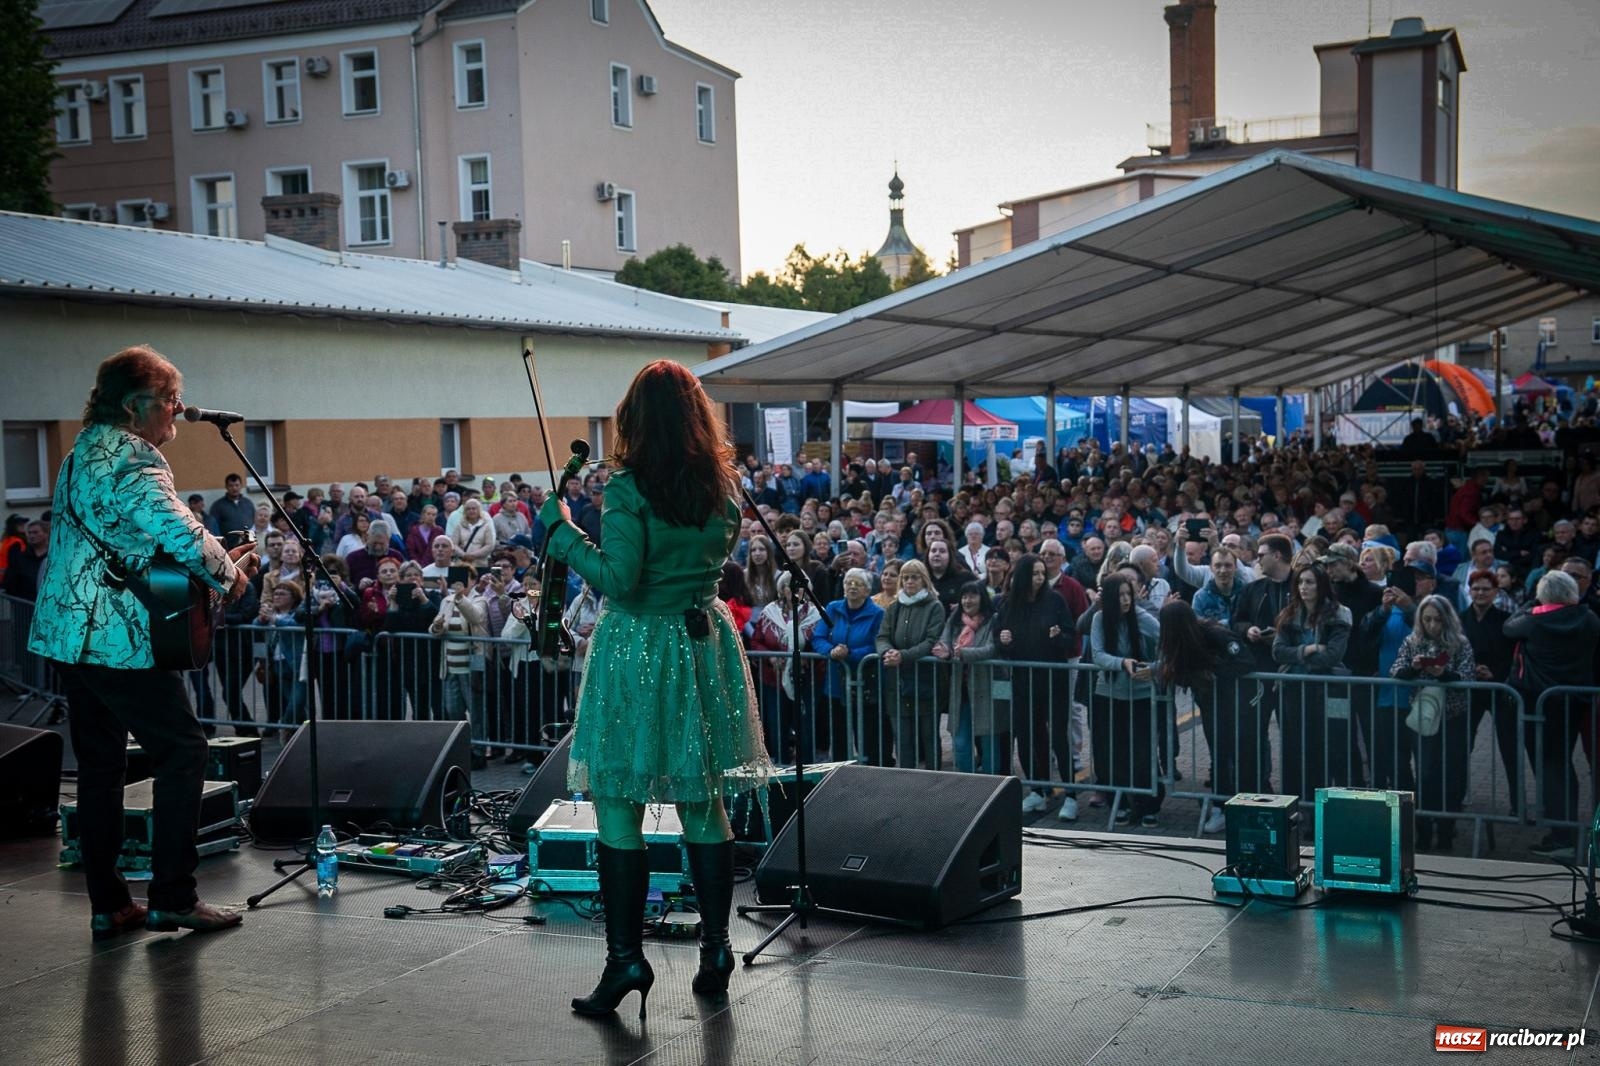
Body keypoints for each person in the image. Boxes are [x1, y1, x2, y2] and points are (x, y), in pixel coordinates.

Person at [539, 360, 772, 1018]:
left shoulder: (630, 487)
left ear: (634, 420)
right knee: (704, 800)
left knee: (618, 802)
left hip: (640, 648)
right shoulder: (723, 486)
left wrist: (563, 535)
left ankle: (624, 962)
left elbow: (621, 578)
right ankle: (717, 949)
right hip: (702, 642)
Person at [28, 346, 256, 938]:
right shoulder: (133, 459)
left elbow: (128, 541)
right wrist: (229, 576)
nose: (178, 411)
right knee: (183, 750)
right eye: (170, 400)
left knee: (101, 768)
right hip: (116, 640)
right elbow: (176, 530)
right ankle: (173, 897)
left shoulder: (81, 453)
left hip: (70, 637)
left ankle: (109, 904)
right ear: (135, 405)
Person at [1506, 571, 1600, 857]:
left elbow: (1509, 627)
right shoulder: (1590, 619)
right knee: (1563, 767)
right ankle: (1564, 832)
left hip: (1541, 705)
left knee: (1551, 769)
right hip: (1576, 700)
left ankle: (1563, 837)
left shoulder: (1533, 622)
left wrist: (1532, 602)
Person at [1389, 594, 1476, 851]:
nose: (1432, 625)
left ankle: (1446, 831)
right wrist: (1415, 668)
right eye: (1427, 619)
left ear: (1446, 620)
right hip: (1424, 718)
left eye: (1437, 619)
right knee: (1425, 774)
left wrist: (1444, 674)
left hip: (1453, 717)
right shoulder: (1412, 641)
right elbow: (1396, 671)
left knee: (1452, 775)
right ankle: (1424, 831)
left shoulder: (1459, 643)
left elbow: (1468, 676)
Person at [996, 552, 1073, 815]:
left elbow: (1071, 636)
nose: (1040, 578)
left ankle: (1071, 794)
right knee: (1026, 735)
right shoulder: (1009, 603)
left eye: (1042, 573)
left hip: (1053, 679)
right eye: (1035, 573)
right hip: (1022, 681)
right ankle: (1038, 790)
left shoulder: (1055, 600)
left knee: (1059, 737)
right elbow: (999, 639)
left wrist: (1058, 636)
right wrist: (1003, 640)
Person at [1271, 565, 1353, 804]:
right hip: (1293, 691)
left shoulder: (1338, 614)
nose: (1304, 587)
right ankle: (1296, 806)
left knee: (1326, 751)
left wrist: (1298, 655)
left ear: (1321, 585)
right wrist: (1308, 649)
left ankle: (1323, 808)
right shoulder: (1290, 614)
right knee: (1294, 751)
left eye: (1310, 582)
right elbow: (1277, 651)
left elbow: (1333, 655)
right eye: (1300, 582)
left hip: (1327, 692)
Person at [1087, 572, 1163, 825]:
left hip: (1141, 695)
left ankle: (1148, 804)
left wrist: (1153, 667)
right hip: (1108, 695)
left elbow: (1167, 644)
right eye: (1119, 595)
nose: (1125, 600)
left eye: (1128, 594)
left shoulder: (1143, 618)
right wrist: (1122, 663)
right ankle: (1118, 802)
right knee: (1112, 752)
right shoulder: (1099, 618)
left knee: (1142, 752)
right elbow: (1097, 655)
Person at [873, 559, 946, 769]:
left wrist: (903, 656)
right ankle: (905, 785)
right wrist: (887, 652)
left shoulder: (934, 606)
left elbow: (931, 641)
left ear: (923, 580)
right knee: (902, 739)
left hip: (926, 681)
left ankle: (934, 784)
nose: (909, 581)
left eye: (914, 577)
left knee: (929, 737)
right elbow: (882, 636)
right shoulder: (895, 607)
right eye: (905, 577)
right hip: (897, 683)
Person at [933, 580, 1002, 774]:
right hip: (960, 689)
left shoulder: (993, 620)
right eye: (964, 596)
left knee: (989, 742)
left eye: (972, 595)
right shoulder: (955, 620)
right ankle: (968, 784)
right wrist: (945, 650)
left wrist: (964, 653)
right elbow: (944, 641)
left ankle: (992, 787)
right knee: (961, 742)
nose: (967, 600)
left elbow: (991, 649)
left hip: (986, 689)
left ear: (982, 598)